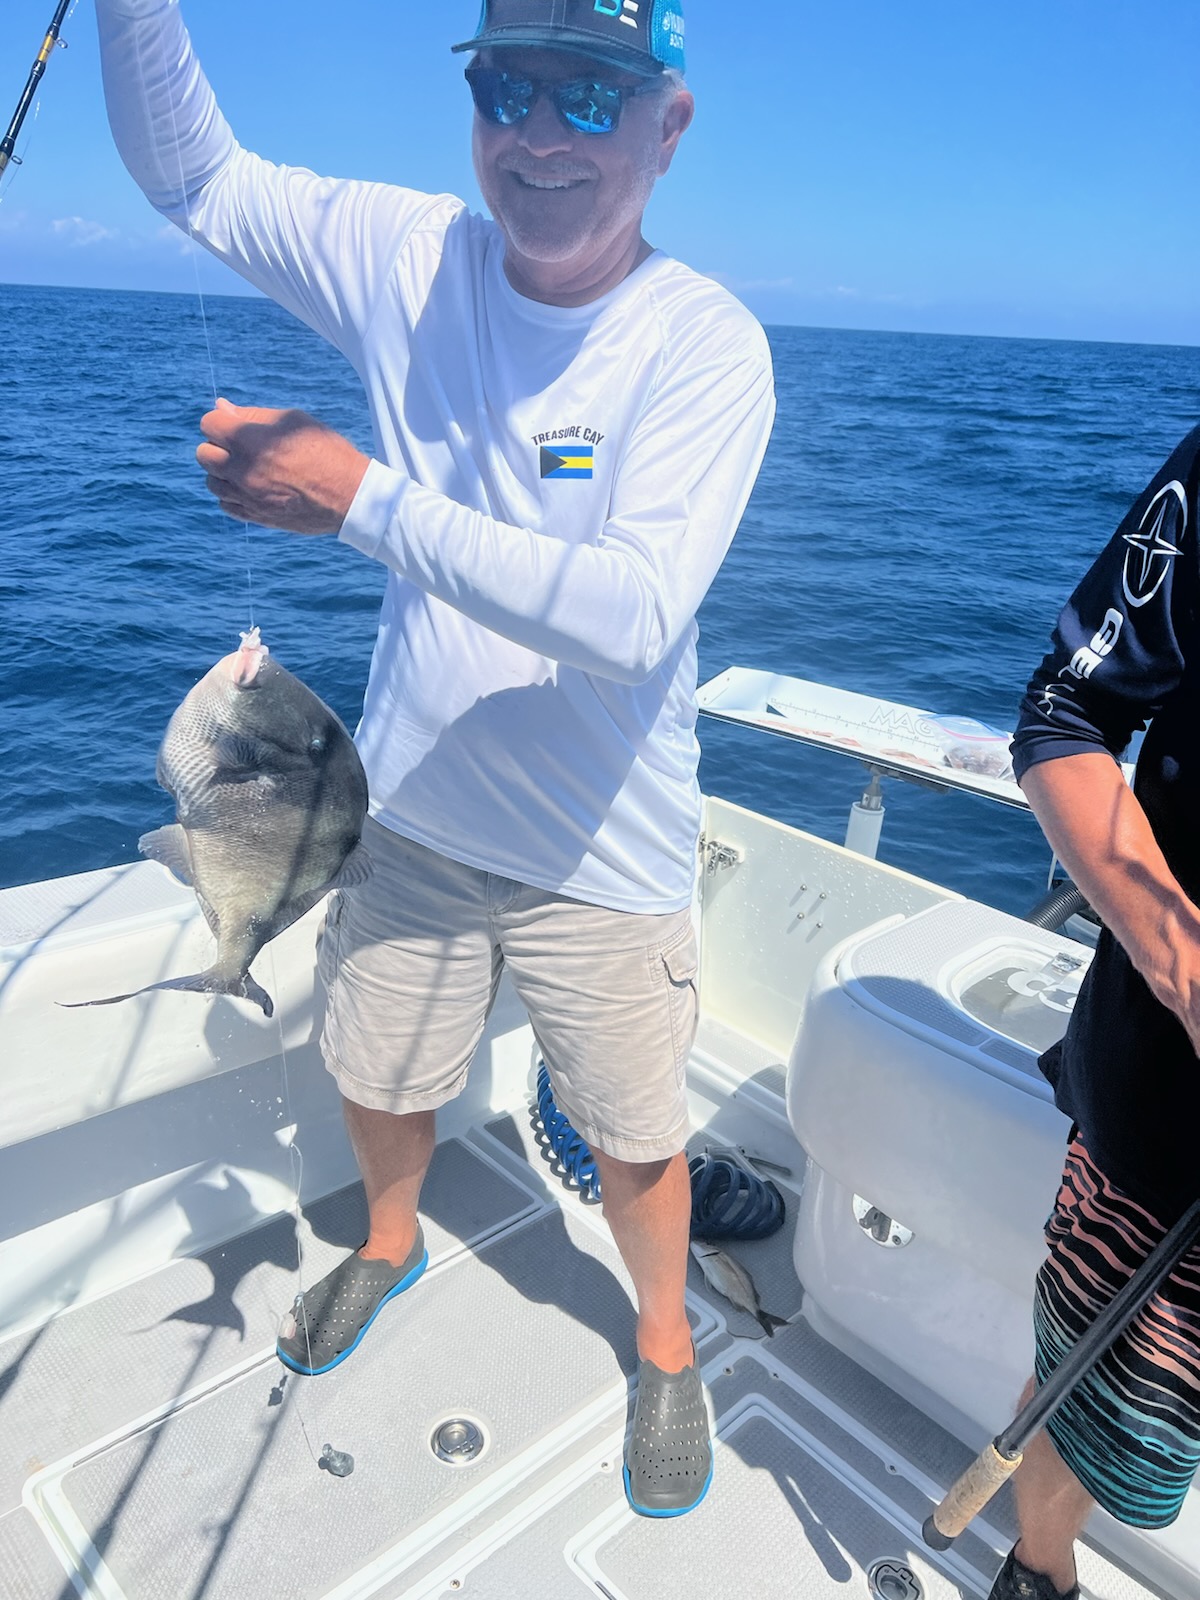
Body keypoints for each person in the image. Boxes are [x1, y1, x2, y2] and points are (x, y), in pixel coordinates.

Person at [95, 0, 775, 1518]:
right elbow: (191, 176)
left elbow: (635, 615)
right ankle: (391, 1239)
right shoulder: (411, 258)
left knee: (636, 1137)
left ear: (668, 126)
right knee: (381, 1069)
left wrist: (357, 499)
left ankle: (665, 1342)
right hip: (402, 814)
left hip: (605, 845)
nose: (538, 134)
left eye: (589, 97)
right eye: (506, 88)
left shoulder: (704, 343)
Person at [1004, 424, 1200, 1598]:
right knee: (1092, 1396)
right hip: (1168, 1111)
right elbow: (1065, 711)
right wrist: (1187, 970)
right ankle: (1039, 1570)